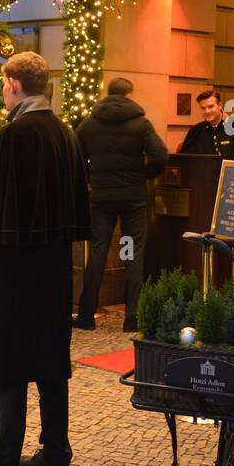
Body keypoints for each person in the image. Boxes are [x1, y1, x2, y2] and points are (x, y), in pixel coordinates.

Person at [0, 51, 91, 466]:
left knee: (5, 365)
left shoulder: (13, 136)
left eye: (2, 82)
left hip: (12, 271)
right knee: (50, 361)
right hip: (52, 269)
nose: (1, 89)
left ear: (15, 83)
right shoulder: (65, 133)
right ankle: (55, 455)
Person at [75, 78, 169, 332]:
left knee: (97, 252)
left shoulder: (89, 124)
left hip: (102, 198)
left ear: (108, 93)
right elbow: (161, 155)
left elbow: (74, 157)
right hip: (133, 199)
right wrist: (145, 175)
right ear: (129, 94)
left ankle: (85, 315)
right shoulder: (140, 123)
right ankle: (132, 317)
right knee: (132, 253)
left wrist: (90, 178)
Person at [176, 89, 234, 171]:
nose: (207, 111)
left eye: (211, 106)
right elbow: (183, 161)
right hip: (205, 184)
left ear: (220, 105)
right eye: (203, 108)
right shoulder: (196, 131)